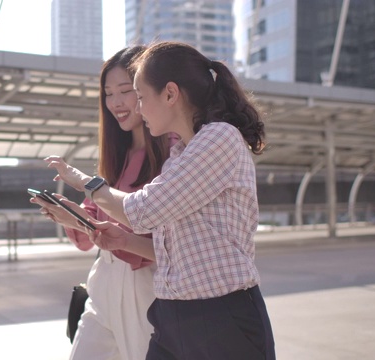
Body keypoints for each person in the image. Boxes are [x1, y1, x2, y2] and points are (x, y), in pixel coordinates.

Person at [44, 41, 276, 359]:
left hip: (221, 316)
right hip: (172, 313)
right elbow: (169, 246)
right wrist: (122, 239)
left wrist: (82, 180)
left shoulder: (219, 138)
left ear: (169, 94)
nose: (135, 107)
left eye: (139, 96)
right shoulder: (181, 153)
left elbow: (144, 209)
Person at [31, 45, 172, 360]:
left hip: (145, 287)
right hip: (104, 281)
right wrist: (71, 215)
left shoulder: (173, 154)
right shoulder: (116, 158)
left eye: (126, 91)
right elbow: (90, 231)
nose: (116, 103)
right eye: (108, 94)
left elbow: (166, 238)